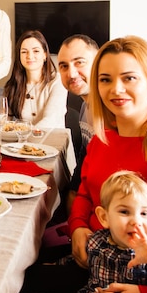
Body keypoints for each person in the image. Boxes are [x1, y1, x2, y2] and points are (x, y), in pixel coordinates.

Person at [5, 35, 147, 293]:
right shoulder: (103, 138)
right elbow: (85, 193)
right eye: (105, 80)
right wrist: (78, 226)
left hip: (144, 284)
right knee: (8, 282)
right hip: (95, 266)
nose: (116, 89)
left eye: (129, 78)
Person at [52, 34, 99, 219]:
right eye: (64, 66)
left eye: (79, 62)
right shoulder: (84, 107)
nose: (71, 73)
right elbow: (84, 157)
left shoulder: (112, 113)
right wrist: (72, 191)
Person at [3, 30, 67, 128]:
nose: (30, 56)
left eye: (36, 51)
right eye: (24, 52)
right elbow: (4, 123)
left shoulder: (58, 81)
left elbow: (50, 120)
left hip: (54, 141)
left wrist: (24, 135)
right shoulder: (13, 85)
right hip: (23, 142)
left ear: (45, 55)